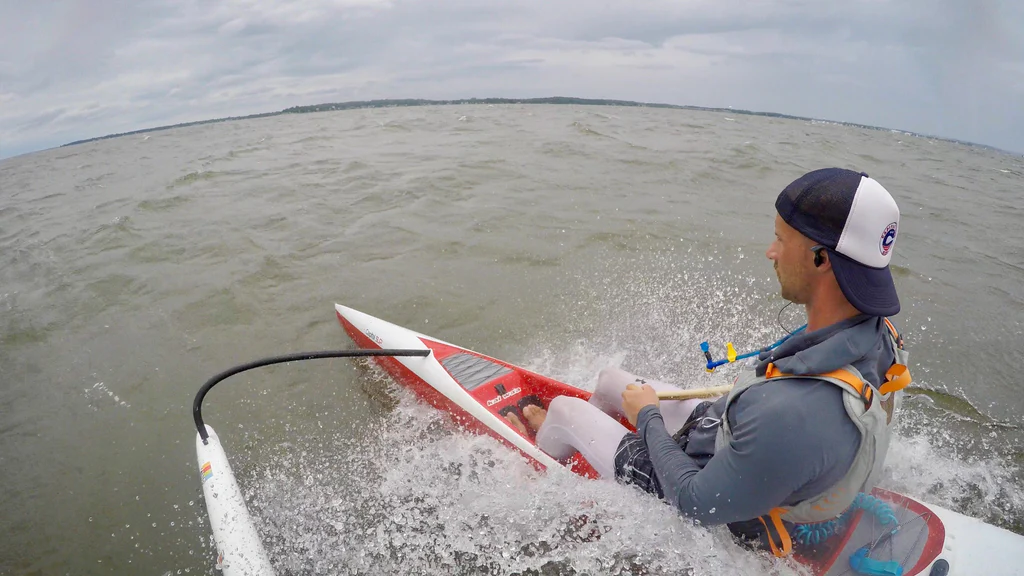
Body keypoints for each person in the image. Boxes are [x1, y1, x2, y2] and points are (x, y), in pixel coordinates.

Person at [505, 167, 912, 556]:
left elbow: (695, 503)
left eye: (780, 240)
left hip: (698, 484)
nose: (770, 252)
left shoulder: (794, 413)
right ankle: (599, 456)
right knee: (612, 379)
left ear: (822, 259)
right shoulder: (880, 337)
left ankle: (542, 458)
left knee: (563, 409)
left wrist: (647, 417)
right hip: (726, 439)